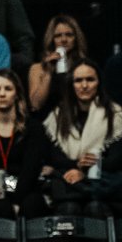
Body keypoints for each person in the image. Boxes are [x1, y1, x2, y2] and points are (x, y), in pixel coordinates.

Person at [43, 59, 122, 216]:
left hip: (103, 187)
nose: (84, 86)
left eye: (90, 80)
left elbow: (116, 160)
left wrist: (85, 169)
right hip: (69, 185)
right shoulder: (57, 116)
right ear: (71, 84)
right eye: (78, 80)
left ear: (99, 82)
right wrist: (77, 165)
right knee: (69, 208)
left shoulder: (116, 115)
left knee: (95, 207)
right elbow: (54, 158)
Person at [0, 69, 49, 220]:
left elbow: (31, 169)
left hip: (26, 188)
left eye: (8, 89)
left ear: (17, 94)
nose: (2, 94)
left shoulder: (32, 128)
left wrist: (16, 201)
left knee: (32, 205)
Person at [28, 14, 88, 119]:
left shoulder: (85, 67)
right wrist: (48, 72)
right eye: (58, 36)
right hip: (46, 122)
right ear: (51, 39)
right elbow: (36, 105)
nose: (63, 39)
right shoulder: (38, 68)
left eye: (69, 35)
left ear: (76, 38)